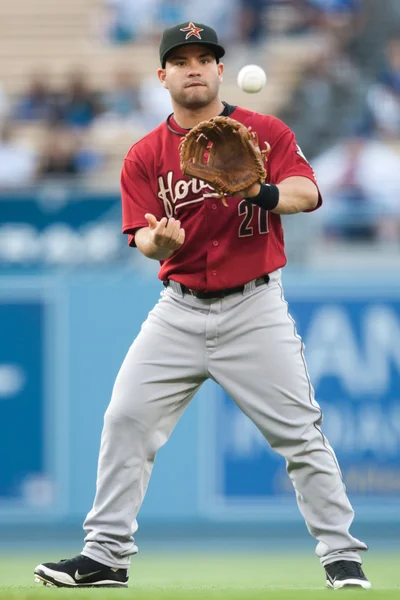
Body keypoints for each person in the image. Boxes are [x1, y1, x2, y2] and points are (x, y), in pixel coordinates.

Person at [34, 21, 371, 590]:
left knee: (300, 435)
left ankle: (343, 557)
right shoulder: (145, 154)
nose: (194, 67)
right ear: (162, 74)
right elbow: (139, 235)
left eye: (204, 57)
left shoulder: (265, 131)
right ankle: (106, 556)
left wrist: (259, 191)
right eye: (181, 59)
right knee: (126, 420)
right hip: (179, 309)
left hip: (254, 307)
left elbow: (308, 192)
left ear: (220, 69)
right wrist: (156, 243)